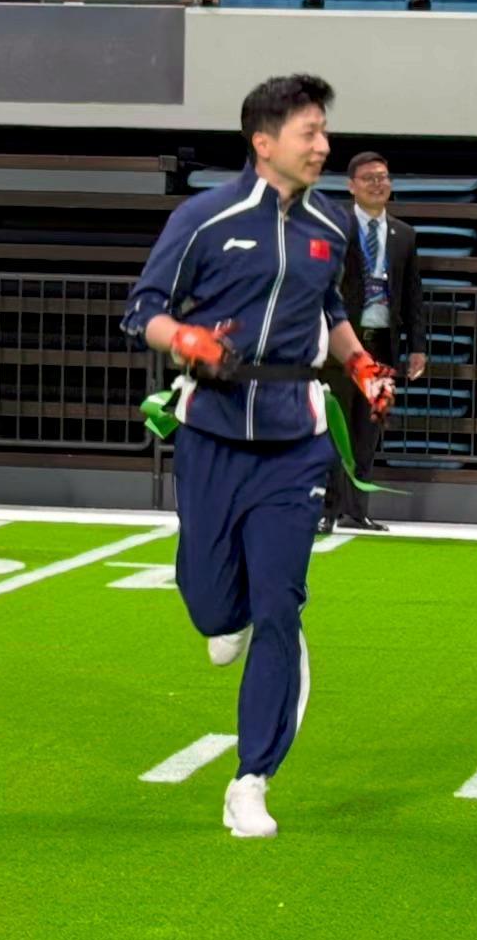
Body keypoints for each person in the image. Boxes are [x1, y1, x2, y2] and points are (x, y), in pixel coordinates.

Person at [123, 75, 395, 839]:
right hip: (211, 431)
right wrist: (185, 339)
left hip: (295, 440)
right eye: (310, 132)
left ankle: (251, 779)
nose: (324, 146)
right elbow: (143, 310)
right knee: (210, 603)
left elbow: (328, 307)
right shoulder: (203, 218)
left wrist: (361, 364)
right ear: (264, 141)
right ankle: (227, 612)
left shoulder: (332, 223)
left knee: (281, 604)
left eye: (324, 131)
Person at [320, 151, 426, 534]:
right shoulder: (336, 226)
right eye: (369, 178)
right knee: (335, 428)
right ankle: (327, 509)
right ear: (351, 186)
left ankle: (357, 510)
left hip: (381, 344)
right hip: (342, 345)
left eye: (383, 177)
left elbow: (412, 294)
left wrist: (417, 345)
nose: (377, 184)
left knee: (369, 429)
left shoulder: (404, 235)